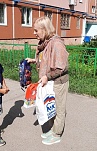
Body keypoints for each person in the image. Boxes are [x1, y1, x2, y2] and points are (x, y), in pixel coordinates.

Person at [26, 16, 69, 145]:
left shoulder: (56, 43)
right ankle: (53, 130)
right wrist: (34, 60)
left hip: (58, 82)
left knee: (58, 109)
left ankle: (57, 134)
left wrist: (47, 76)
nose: (34, 33)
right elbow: (48, 60)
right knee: (50, 107)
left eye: (36, 30)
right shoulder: (45, 43)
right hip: (49, 82)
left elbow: (62, 67)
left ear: (44, 30)